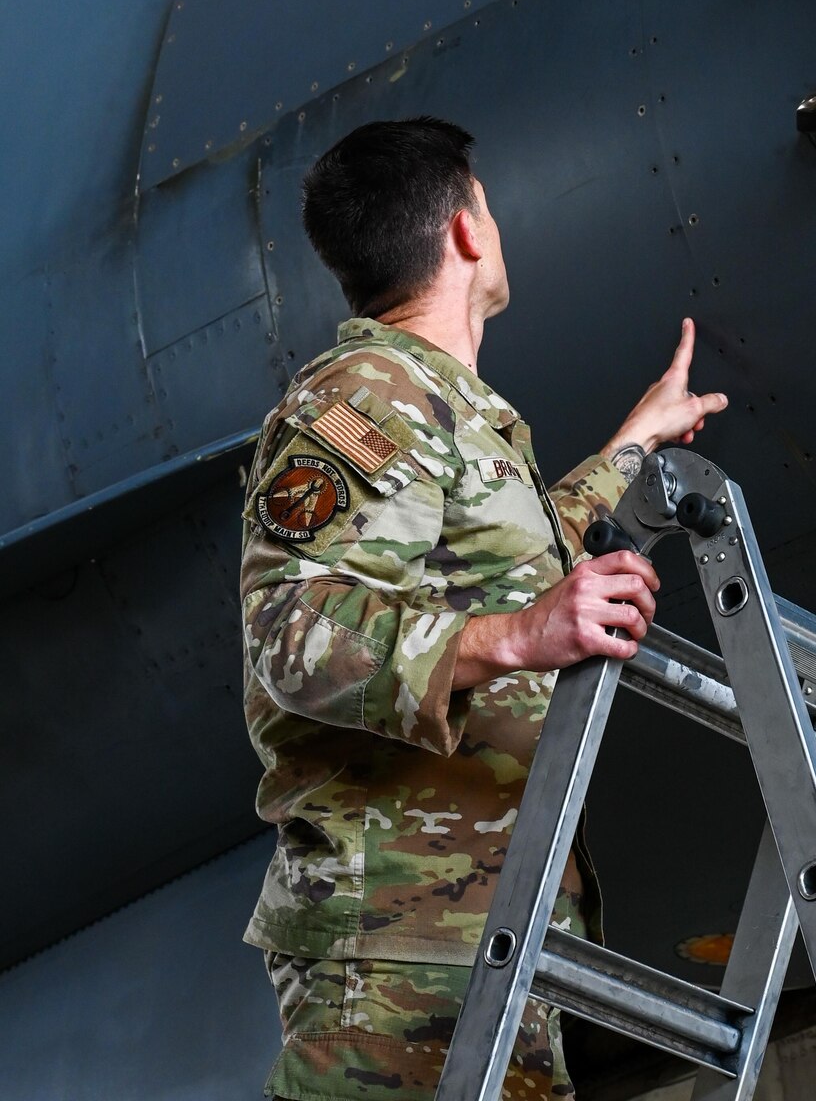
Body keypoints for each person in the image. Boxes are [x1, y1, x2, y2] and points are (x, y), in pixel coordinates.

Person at [239, 116, 727, 1100]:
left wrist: (633, 444)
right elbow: (290, 630)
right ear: (468, 228)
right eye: (489, 206)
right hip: (397, 944)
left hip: (486, 938)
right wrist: (515, 635)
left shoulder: (442, 409)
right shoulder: (362, 396)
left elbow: (509, 572)